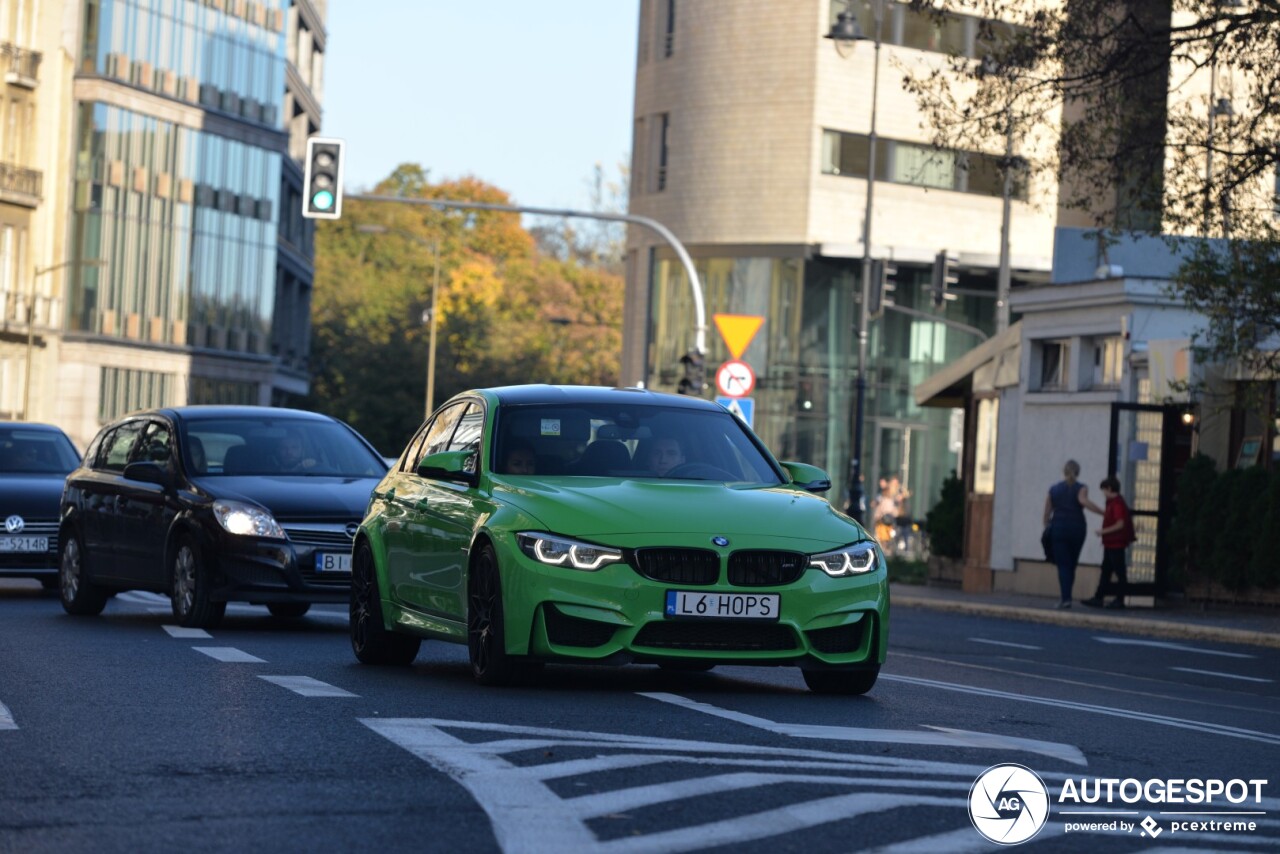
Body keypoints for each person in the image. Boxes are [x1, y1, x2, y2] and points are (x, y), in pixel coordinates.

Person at [1042, 459, 1104, 609]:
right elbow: (1083, 501)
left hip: (1058, 528)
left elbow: (1047, 512)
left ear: (1064, 472)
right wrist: (1103, 512)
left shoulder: (1053, 489)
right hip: (1077, 528)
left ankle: (1066, 598)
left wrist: (1047, 527)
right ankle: (1067, 596)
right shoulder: (1081, 488)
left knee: (1063, 565)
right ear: (1078, 472)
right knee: (1072, 564)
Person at [1082, 477, 1132, 609]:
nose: (1103, 493)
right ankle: (1099, 597)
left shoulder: (1116, 504)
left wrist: (1103, 531)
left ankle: (1119, 599)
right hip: (1111, 543)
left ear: (1109, 489)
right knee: (1106, 571)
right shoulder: (1113, 503)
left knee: (1119, 572)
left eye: (1104, 490)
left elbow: (1120, 524)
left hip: (1115, 543)